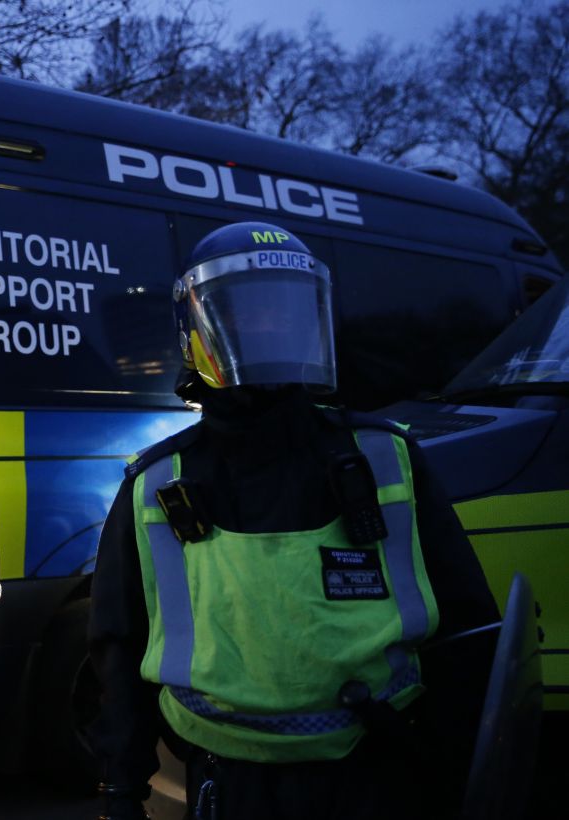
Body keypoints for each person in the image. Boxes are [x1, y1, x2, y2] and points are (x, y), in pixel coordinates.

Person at [87, 222, 499, 820]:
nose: (269, 325)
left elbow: (467, 627)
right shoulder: (157, 481)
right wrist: (120, 790)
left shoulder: (385, 457)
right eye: (247, 310)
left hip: (379, 766)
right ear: (196, 328)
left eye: (286, 309)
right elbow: (119, 647)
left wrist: (455, 765)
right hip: (229, 780)